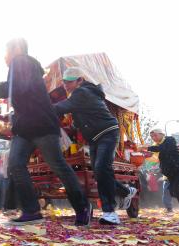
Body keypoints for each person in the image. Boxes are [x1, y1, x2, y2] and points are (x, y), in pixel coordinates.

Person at [0, 38, 91, 225]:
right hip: (25, 128)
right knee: (16, 165)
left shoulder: (20, 61)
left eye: (6, 51)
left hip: (41, 124)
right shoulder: (24, 66)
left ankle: (82, 206)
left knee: (57, 165)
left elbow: (9, 88)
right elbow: (17, 90)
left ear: (17, 49)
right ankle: (32, 210)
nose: (5, 57)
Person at [53, 67, 137, 225]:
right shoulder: (80, 95)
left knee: (101, 169)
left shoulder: (81, 92)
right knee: (99, 173)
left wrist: (38, 110)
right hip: (94, 138)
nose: (66, 84)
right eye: (64, 81)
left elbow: (60, 107)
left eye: (70, 81)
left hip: (107, 133)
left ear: (80, 80)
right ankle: (126, 191)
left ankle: (110, 212)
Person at [140, 129, 179, 215]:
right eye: (151, 136)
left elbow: (163, 148)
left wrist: (147, 148)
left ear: (161, 134)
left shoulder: (169, 140)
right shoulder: (155, 146)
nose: (153, 138)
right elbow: (154, 158)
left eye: (155, 135)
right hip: (169, 173)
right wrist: (144, 153)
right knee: (173, 192)